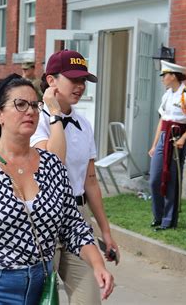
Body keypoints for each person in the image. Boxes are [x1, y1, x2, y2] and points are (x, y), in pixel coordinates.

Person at [0, 74, 114, 305]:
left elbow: (72, 225)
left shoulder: (53, 166)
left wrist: (97, 265)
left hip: (37, 287)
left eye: (35, 105)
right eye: (20, 104)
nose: (31, 111)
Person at [31, 49, 120, 305]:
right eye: (73, 79)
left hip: (77, 217)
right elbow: (53, 161)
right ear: (51, 81)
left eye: (83, 81)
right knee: (42, 298)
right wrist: (53, 112)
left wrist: (105, 231)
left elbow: (90, 179)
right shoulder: (33, 119)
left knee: (89, 298)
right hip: (43, 218)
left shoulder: (84, 123)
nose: (80, 86)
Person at [148, 60, 186, 231]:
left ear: (173, 76)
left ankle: (168, 221)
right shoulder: (167, 95)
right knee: (155, 180)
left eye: (164, 75)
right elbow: (162, 120)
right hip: (163, 138)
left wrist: (184, 138)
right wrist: (154, 144)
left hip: (176, 139)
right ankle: (158, 216)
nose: (162, 79)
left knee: (172, 180)